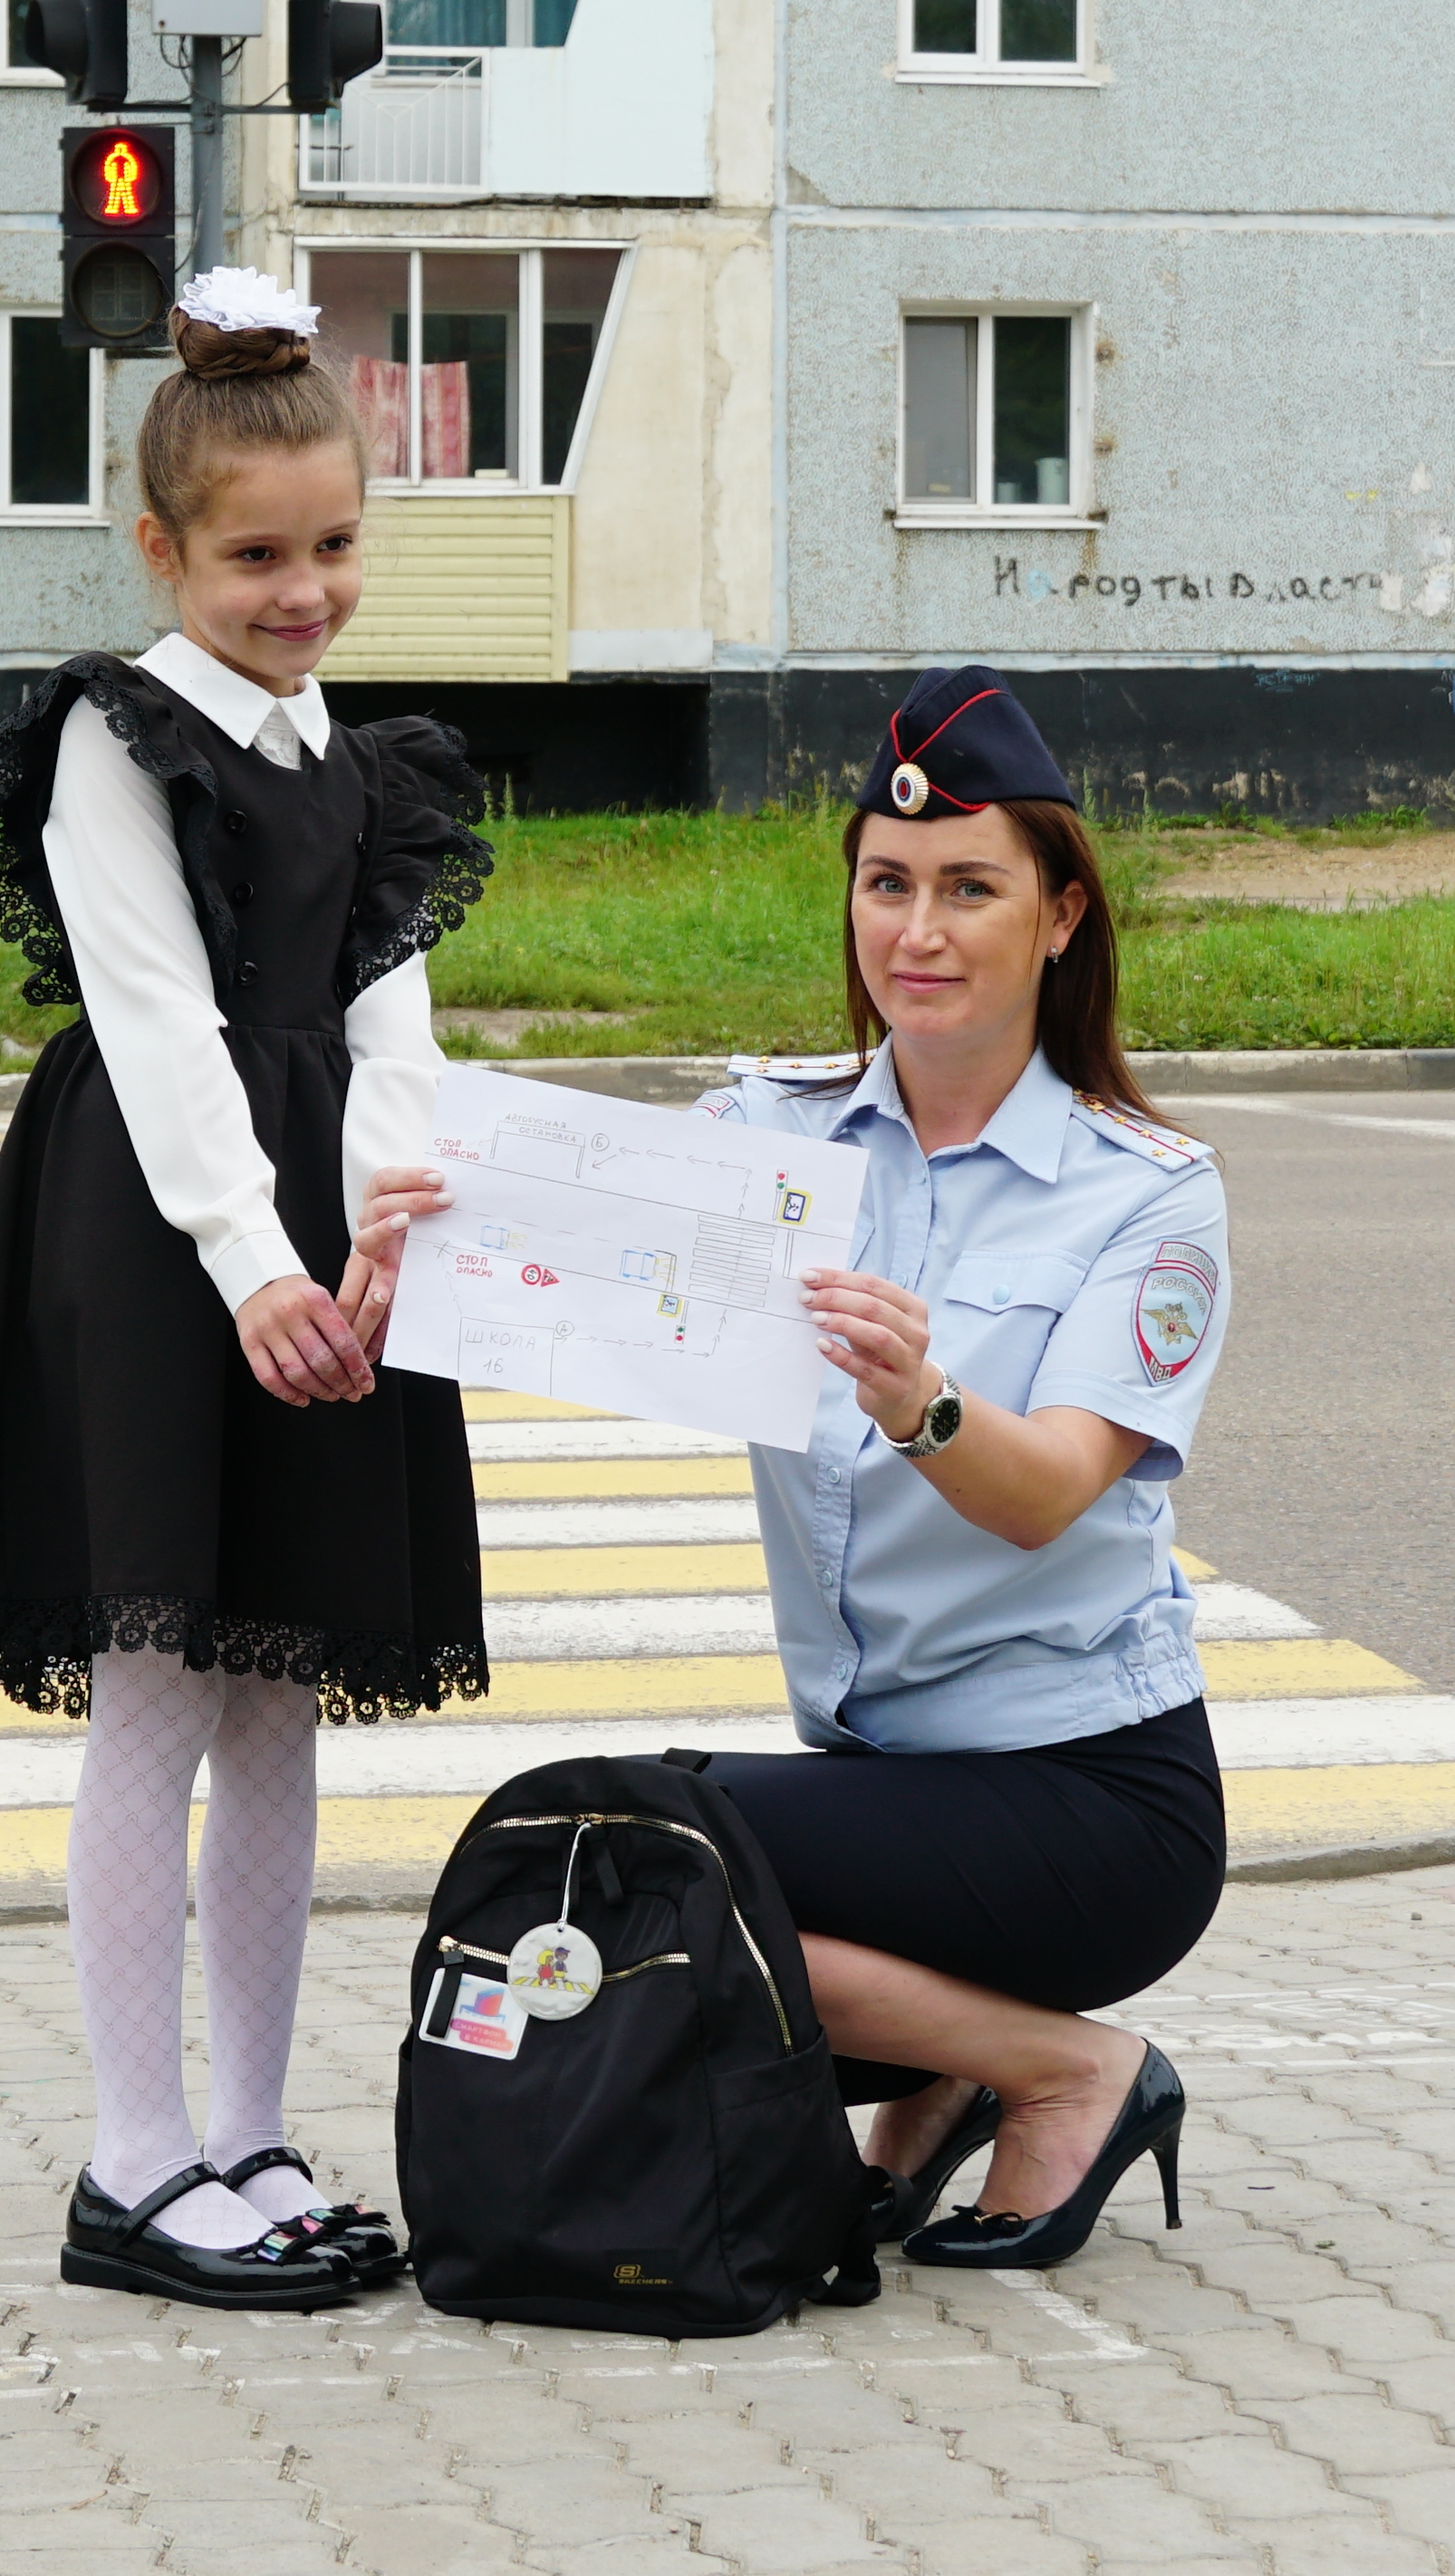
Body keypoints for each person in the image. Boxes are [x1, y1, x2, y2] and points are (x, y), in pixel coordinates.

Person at [374, 666, 1229, 2271]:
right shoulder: (771, 1149)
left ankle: (1071, 2069)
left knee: (640, 1861)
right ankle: (946, 2084)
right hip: (885, 1787)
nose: (919, 929)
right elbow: (550, 1267)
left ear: (1059, 918)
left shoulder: (1146, 1197)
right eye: (887, 883)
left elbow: (1049, 1493)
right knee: (642, 1888)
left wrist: (924, 1401)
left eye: (971, 888)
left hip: (1093, 1800)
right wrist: (414, 1249)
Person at [0, 267, 494, 2314]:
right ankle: (130, 2153)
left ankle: (246, 2122)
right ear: (159, 548)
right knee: (154, 1681)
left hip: (333, 1257)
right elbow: (155, 1031)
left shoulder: (362, 756)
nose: (303, 589)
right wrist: (256, 1265)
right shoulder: (111, 741)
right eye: (255, 554)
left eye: (333, 545)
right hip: (167, 1256)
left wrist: (398, 1234)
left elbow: (394, 1028)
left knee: (283, 1679)